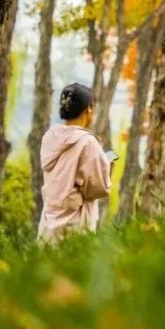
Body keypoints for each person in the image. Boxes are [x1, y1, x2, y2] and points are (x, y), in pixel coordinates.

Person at [37, 81, 112, 245]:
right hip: (74, 226)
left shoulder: (50, 137)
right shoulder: (87, 142)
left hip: (48, 223)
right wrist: (104, 164)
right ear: (88, 110)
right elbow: (99, 188)